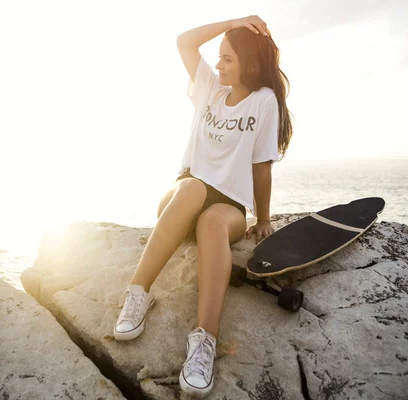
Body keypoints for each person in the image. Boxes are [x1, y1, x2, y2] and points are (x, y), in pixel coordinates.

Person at [112, 15, 294, 398]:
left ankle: (203, 342)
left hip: (227, 207)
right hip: (183, 195)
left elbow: (261, 167)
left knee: (212, 222)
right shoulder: (209, 87)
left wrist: (262, 219)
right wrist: (237, 21)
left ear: (251, 64)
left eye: (228, 58)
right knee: (194, 188)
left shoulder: (264, 103)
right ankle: (137, 294)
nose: (219, 64)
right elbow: (184, 40)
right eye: (219, 57)